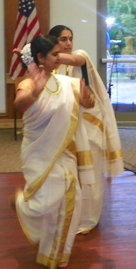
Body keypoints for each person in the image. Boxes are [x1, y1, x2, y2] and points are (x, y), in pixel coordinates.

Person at [13, 35, 95, 269]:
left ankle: (55, 252)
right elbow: (19, 106)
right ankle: (20, 203)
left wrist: (88, 100)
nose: (60, 58)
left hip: (63, 153)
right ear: (41, 58)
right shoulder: (28, 83)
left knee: (71, 200)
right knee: (44, 206)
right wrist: (35, 93)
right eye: (55, 55)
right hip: (39, 151)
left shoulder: (65, 83)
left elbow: (85, 104)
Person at [49, 25, 124, 234]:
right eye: (63, 39)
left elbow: (74, 61)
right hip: (68, 128)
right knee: (70, 176)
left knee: (90, 175)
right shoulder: (52, 69)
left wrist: (42, 54)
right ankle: (69, 216)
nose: (68, 43)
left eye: (70, 38)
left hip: (90, 126)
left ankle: (88, 219)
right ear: (54, 41)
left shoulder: (79, 56)